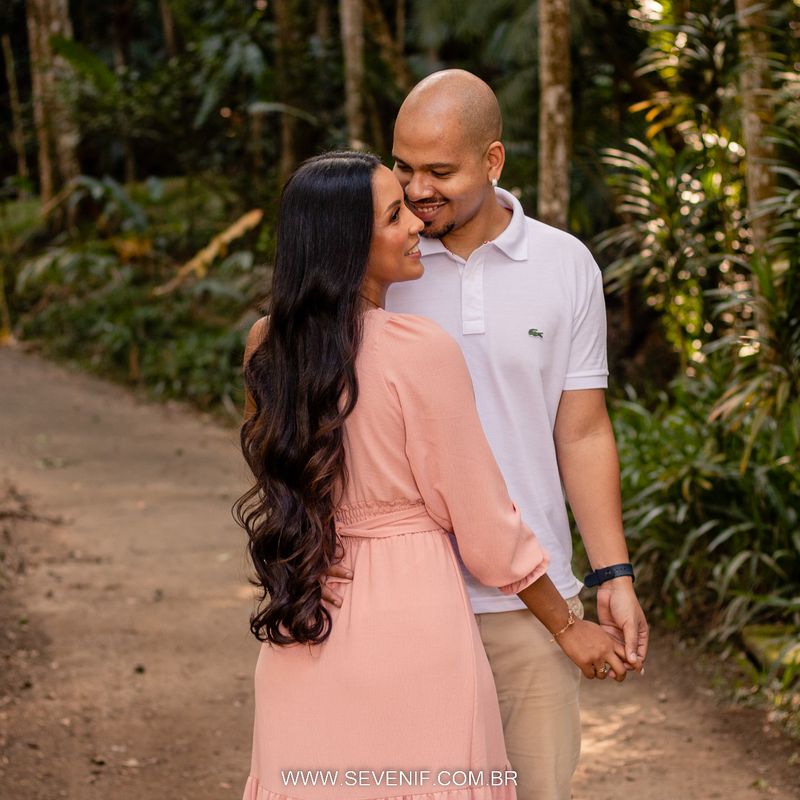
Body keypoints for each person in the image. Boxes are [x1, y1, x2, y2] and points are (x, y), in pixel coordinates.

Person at [235, 151, 627, 800]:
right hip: (412, 618)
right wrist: (566, 625)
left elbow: (274, 472)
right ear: (350, 244)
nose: (416, 224)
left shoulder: (266, 346)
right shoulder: (418, 350)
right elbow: (485, 524)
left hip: (304, 613)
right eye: (394, 216)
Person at [385, 70, 650, 800]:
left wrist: (613, 576)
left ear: (493, 161)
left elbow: (583, 432)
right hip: (407, 598)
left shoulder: (565, 264)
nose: (416, 190)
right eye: (404, 168)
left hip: (535, 607)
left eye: (440, 171)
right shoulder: (383, 261)